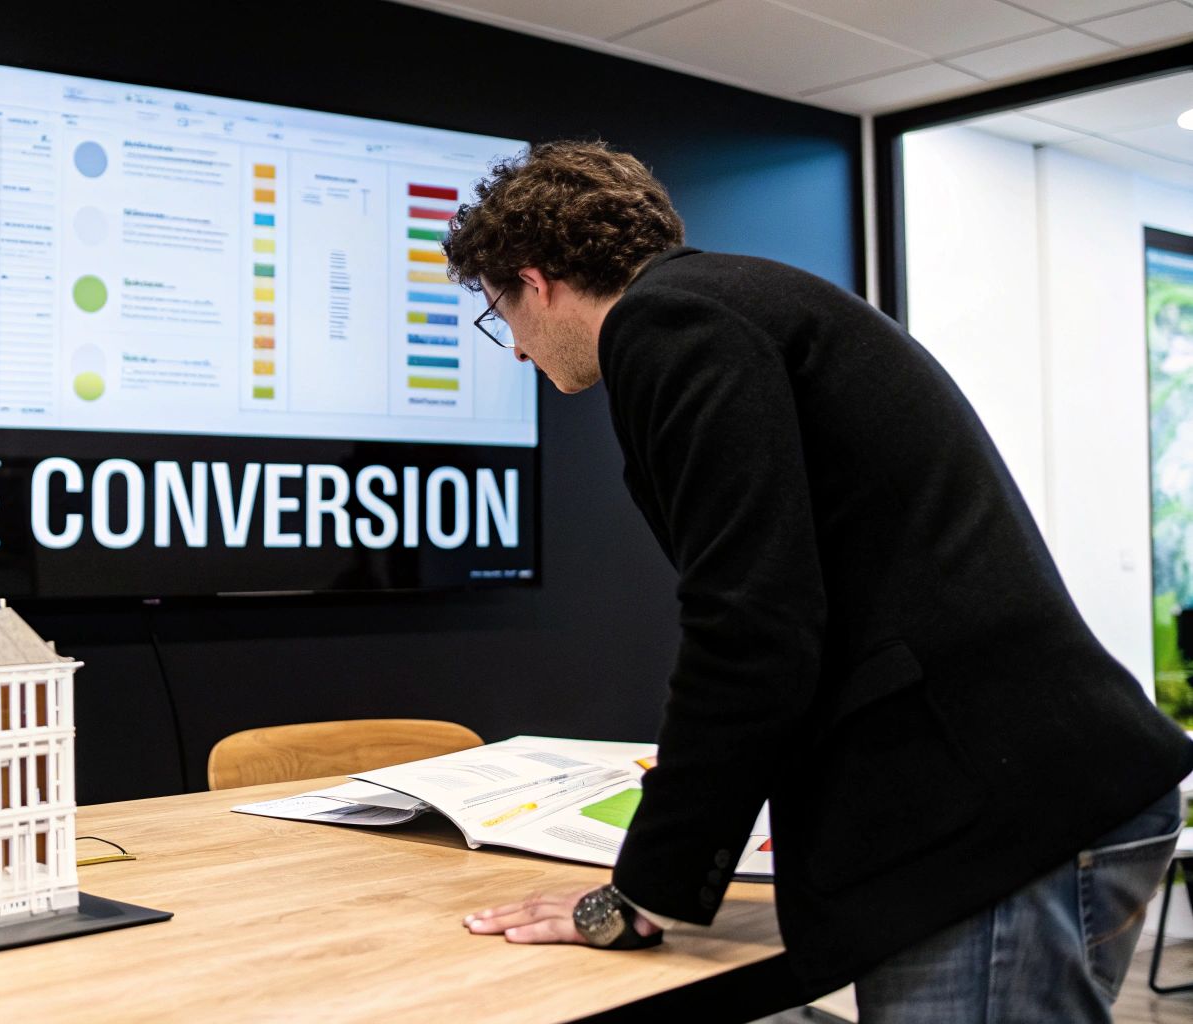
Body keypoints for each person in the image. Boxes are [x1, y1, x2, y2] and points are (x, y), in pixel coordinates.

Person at [444, 140, 1193, 1022]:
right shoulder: (738, 302)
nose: (520, 353)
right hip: (1040, 784)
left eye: (501, 317)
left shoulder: (669, 325)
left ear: (537, 282)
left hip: (992, 814)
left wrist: (641, 893)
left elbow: (752, 625)